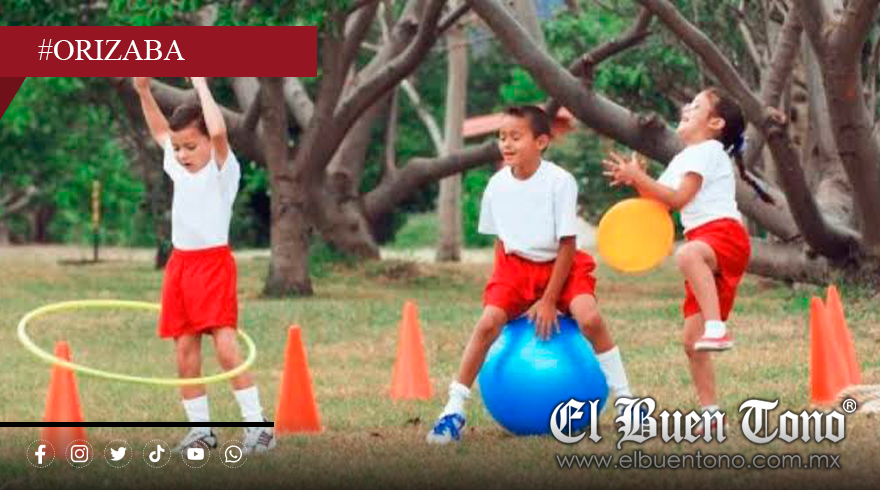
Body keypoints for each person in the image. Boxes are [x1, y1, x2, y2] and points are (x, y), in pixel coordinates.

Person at [427, 105, 641, 445]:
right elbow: (501, 242)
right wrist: (504, 293)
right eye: (502, 137)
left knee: (589, 318)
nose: (506, 144)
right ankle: (453, 409)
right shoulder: (496, 186)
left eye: (515, 137)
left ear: (541, 142)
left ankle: (626, 401)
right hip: (515, 268)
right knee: (487, 324)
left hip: (562, 264)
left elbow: (567, 244)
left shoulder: (560, 182)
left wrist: (549, 300)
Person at [602, 87, 773, 434]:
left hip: (723, 235)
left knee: (687, 254)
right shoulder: (683, 159)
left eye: (696, 106)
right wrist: (638, 181)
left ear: (716, 123)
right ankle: (711, 417)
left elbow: (679, 199)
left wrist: (640, 178)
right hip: (705, 244)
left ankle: (717, 328)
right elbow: (660, 203)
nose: (686, 108)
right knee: (692, 343)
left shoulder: (708, 151)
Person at [134, 76, 275, 454]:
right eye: (178, 148)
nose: (182, 154)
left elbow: (218, 130)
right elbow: (160, 131)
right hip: (180, 266)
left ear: (209, 145)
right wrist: (144, 91)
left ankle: (258, 426)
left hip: (212, 266)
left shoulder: (223, 170)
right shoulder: (178, 166)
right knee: (184, 351)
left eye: (190, 146)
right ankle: (201, 431)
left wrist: (201, 86)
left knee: (226, 348)